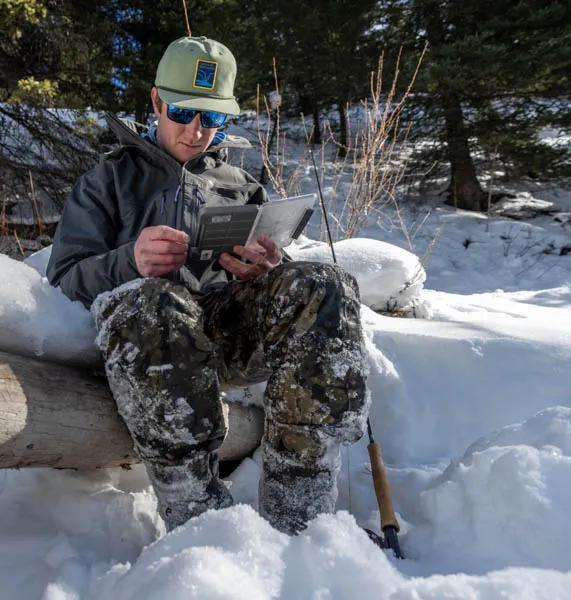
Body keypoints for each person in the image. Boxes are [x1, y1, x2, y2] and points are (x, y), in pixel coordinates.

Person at [46, 36, 368, 534]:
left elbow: (270, 284)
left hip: (218, 332)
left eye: (213, 118)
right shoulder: (107, 181)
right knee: (154, 301)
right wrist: (129, 260)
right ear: (156, 102)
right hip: (144, 343)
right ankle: (200, 519)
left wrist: (261, 274)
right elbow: (65, 279)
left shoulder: (240, 184)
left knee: (324, 285)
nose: (197, 132)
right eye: (183, 112)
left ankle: (300, 516)